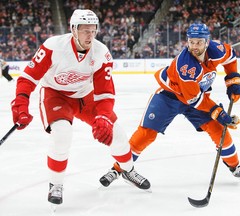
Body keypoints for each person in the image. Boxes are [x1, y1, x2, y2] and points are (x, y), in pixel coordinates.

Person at [10, 9, 150, 206]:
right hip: (55, 95)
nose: (90, 36)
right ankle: (56, 184)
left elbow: (106, 94)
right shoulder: (53, 46)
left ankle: (128, 170)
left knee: (117, 135)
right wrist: (21, 103)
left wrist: (103, 117)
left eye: (93, 31)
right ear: (73, 29)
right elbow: (28, 78)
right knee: (62, 135)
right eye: (85, 31)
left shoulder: (101, 53)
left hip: (86, 96)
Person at [99, 23, 240, 187]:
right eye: (191, 42)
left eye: (199, 42)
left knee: (217, 129)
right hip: (169, 97)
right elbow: (194, 99)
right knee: (147, 134)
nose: (194, 46)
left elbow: (230, 57)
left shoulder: (217, 49)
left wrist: (233, 79)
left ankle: (235, 166)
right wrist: (218, 112)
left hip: (196, 96)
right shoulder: (186, 65)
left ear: (207, 42)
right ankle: (117, 169)